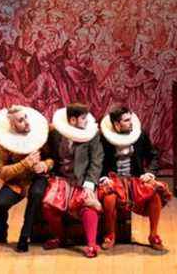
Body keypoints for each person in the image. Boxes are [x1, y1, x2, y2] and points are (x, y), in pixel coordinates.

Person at [98, 105, 171, 251]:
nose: (131, 123)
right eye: (126, 121)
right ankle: (110, 234)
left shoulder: (139, 134)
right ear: (117, 125)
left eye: (130, 119)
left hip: (135, 178)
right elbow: (96, 160)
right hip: (114, 179)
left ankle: (153, 234)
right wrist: (103, 177)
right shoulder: (104, 138)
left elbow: (154, 155)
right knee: (109, 198)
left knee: (154, 195)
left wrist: (149, 172)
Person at [0, 105, 50, 252]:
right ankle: (0, 233)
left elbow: (53, 158)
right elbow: (2, 172)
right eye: (20, 120)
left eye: (26, 118)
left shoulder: (40, 134)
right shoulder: (5, 143)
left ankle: (24, 237)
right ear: (12, 125)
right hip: (17, 181)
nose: (26, 122)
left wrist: (45, 164)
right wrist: (24, 163)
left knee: (35, 195)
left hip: (38, 177)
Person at [41, 103, 103, 257]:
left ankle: (91, 244)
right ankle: (61, 238)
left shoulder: (92, 135)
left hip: (82, 179)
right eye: (83, 118)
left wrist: (90, 183)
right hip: (61, 178)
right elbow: (48, 155)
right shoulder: (56, 133)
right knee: (48, 205)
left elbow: (97, 161)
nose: (87, 121)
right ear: (73, 120)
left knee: (88, 204)